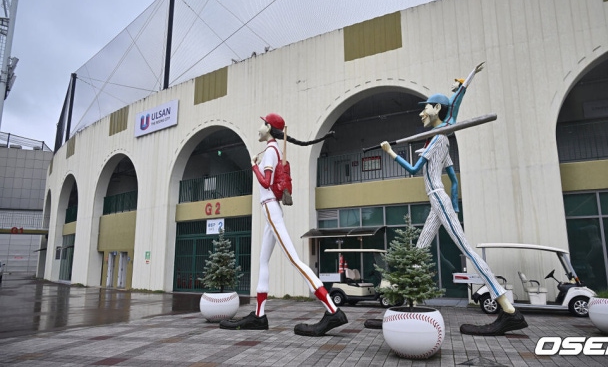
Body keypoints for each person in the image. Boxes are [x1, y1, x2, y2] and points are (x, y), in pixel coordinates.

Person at [380, 92, 528, 336]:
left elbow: (414, 170)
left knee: (467, 249)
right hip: (437, 201)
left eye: (425, 108)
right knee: (419, 249)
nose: (421, 113)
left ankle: (508, 309)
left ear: (437, 108)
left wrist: (390, 152)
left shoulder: (438, 139)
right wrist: (456, 204)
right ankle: (409, 304)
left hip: (439, 198)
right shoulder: (440, 140)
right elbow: (454, 179)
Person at [220, 113, 348, 336]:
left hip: (270, 207)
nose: (259, 128)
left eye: (263, 124)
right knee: (263, 261)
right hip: (271, 208)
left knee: (295, 260)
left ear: (269, 127)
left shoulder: (271, 150)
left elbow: (266, 182)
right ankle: (259, 316)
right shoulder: (273, 149)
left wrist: (253, 166)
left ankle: (332, 310)